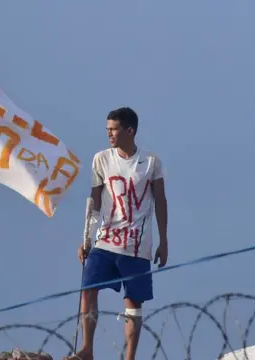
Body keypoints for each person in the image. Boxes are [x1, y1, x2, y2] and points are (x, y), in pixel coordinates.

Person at [68, 107, 169, 360]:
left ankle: (129, 357)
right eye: (107, 129)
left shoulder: (151, 163)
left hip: (136, 244)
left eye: (113, 129)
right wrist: (86, 238)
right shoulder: (101, 159)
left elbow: (160, 201)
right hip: (106, 240)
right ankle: (87, 349)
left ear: (130, 131)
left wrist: (163, 241)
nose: (109, 134)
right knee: (88, 288)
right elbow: (94, 201)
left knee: (133, 302)